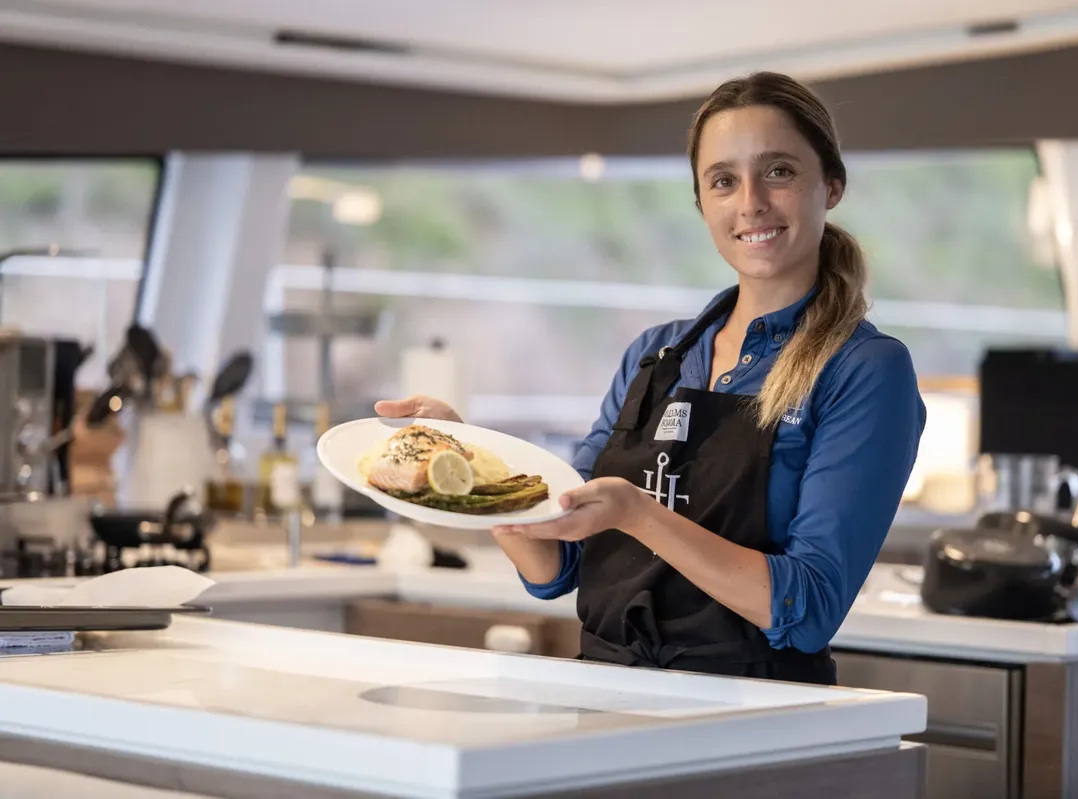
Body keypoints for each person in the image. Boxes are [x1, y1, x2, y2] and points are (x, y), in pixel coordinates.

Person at [377, 71, 926, 685]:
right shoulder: (656, 354)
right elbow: (557, 565)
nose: (751, 202)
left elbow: (807, 609)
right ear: (702, 204)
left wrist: (638, 514)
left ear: (832, 184)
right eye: (723, 181)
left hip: (757, 716)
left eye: (778, 171)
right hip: (608, 694)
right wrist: (469, 467)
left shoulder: (863, 370)